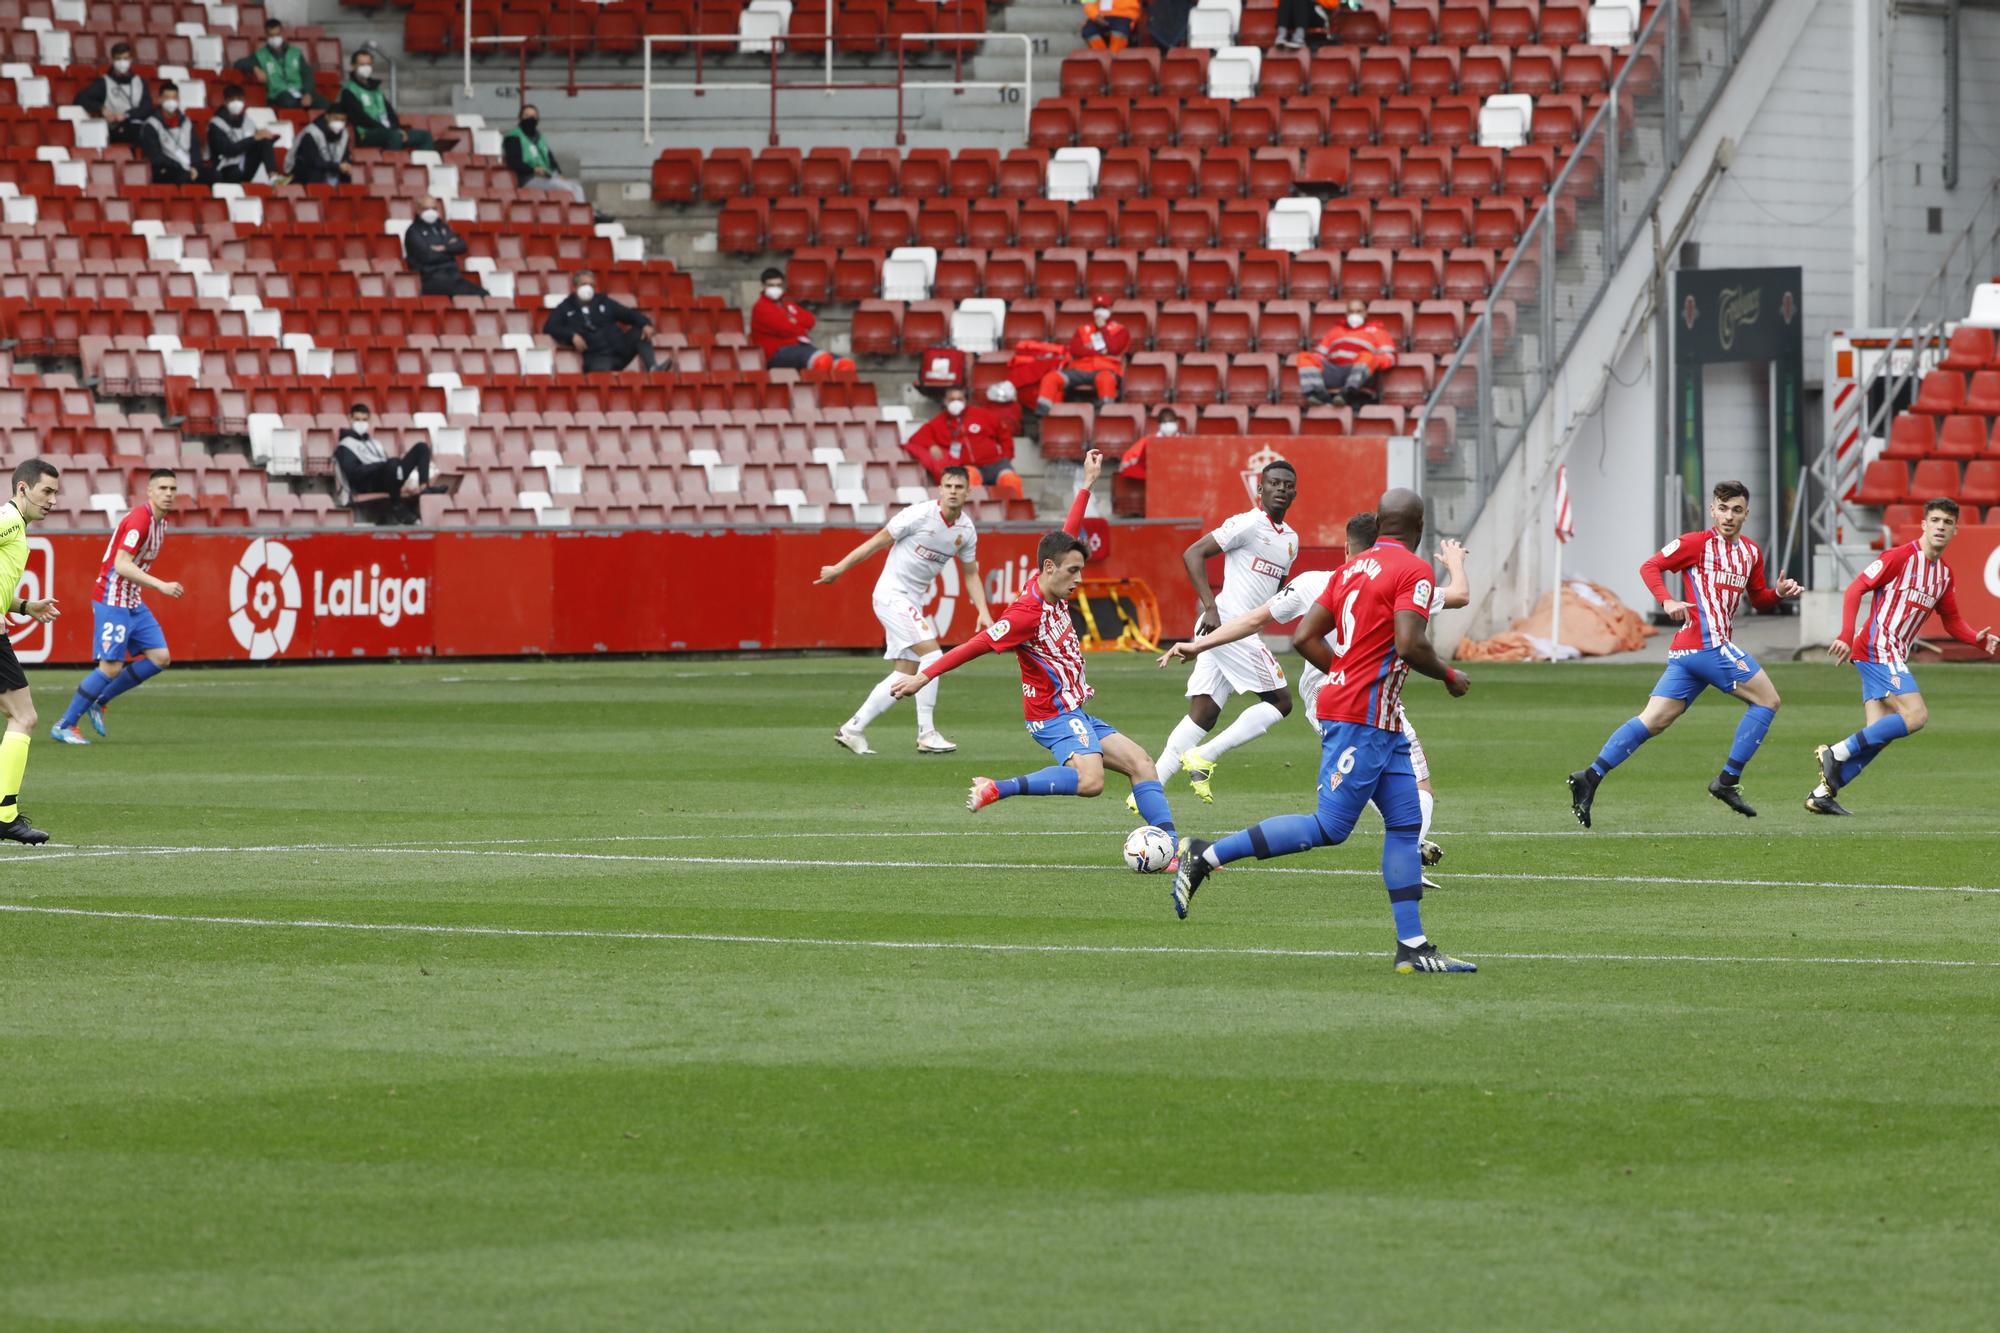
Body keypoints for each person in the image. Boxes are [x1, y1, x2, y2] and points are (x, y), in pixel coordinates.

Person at [1170, 488, 1477, 976]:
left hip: (1380, 716)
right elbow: (1410, 642)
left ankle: (1413, 947)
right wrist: (1448, 676)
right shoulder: (1413, 570)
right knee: (1330, 828)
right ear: (1419, 529)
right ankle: (1204, 854)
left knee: (1402, 826)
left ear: (1379, 524)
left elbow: (1301, 637)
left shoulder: (1348, 571)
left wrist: (1343, 670)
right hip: (1361, 718)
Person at [887, 451, 1181, 847]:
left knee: (1143, 763)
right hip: (1053, 714)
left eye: (1080, 570)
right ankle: (998, 788)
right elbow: (978, 644)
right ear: (1048, 570)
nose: (1078, 580)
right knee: (1091, 781)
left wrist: (1088, 485)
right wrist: (923, 676)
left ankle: (1172, 847)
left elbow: (1066, 536)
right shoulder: (1027, 613)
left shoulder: (1050, 581)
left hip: (1073, 709)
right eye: (1073, 572)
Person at [1567, 481, 1803, 828]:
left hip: (1693, 652)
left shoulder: (1751, 552)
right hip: (1708, 644)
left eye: (1736, 510)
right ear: (1712, 510)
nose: (1729, 516)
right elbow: (1650, 566)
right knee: (1768, 701)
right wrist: (1667, 600)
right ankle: (1727, 781)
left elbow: (1759, 599)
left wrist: (1778, 592)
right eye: (1723, 509)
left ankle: (1590, 776)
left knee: (1654, 719)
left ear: (1746, 514)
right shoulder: (1696, 543)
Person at [1806, 497, 1999, 815]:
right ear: (1924, 524)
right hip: (1877, 647)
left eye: (1946, 522)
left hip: (1891, 653)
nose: (1940, 526)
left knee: (1877, 734)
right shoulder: (1898, 557)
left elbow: (1952, 622)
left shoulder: (1943, 576)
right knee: (1916, 715)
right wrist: (1845, 633)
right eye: (1935, 520)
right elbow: (1856, 588)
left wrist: (1976, 640)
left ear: (1954, 531)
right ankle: (1835, 751)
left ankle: (1822, 794)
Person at [1142, 459, 1299, 806]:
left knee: (1204, 712)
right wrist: (1210, 607)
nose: (1280, 489)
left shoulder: (1291, 540)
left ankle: (1147, 791)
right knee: (1281, 701)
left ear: (1294, 493)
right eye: (1273, 483)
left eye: (1287, 485)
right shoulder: (1247, 524)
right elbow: (1193, 553)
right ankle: (1204, 757)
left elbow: (1277, 587)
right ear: (1260, 490)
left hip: (1238, 630)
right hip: (1227, 624)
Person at [816, 467, 994, 756]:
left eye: (959, 487)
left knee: (905, 672)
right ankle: (927, 733)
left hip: (912, 601)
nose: (952, 491)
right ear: (940, 489)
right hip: (891, 596)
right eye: (948, 485)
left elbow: (971, 573)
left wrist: (983, 611)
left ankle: (852, 728)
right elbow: (876, 543)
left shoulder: (966, 530)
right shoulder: (918, 515)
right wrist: (839, 568)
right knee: (934, 656)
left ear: (967, 492)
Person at [51, 470, 184, 746]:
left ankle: (99, 701)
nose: (168, 493)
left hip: (132, 600)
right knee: (110, 667)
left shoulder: (162, 521)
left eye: (172, 488)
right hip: (112, 598)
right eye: (162, 488)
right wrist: (161, 586)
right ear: (149, 491)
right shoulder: (140, 521)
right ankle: (65, 724)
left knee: (160, 657)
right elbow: (121, 565)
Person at [1, 459, 63, 845]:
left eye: (55, 493)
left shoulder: (16, 527)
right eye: (47, 491)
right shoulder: (8, 520)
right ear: (23, 489)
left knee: (19, 715)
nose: (53, 500)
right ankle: (4, 814)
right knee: (23, 717)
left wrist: (24, 606)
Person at [901, 385, 1023, 500]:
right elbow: (916, 438)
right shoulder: (938, 422)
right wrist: (931, 445)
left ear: (965, 400)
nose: (956, 402)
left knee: (1011, 480)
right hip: (968, 466)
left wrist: (1007, 456)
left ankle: (1016, 517)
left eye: (960, 399)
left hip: (996, 464)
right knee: (968, 482)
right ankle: (976, 518)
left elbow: (1004, 434)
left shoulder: (983, 415)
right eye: (952, 399)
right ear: (945, 401)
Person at [542, 271, 670, 373]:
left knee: (639, 331)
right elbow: (550, 327)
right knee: (602, 375)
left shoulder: (604, 302)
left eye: (591, 285)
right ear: (575, 287)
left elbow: (629, 314)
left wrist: (645, 324)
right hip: (597, 357)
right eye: (583, 285)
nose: (588, 288)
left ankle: (653, 368)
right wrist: (571, 335)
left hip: (620, 350)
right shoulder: (565, 307)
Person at [333, 403, 437, 524]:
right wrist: (381, 465)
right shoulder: (345, 445)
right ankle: (397, 506)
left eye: (364, 420)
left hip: (387, 475)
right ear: (350, 419)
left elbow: (386, 463)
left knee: (421, 447)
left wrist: (389, 465)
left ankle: (424, 488)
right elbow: (353, 473)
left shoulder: (374, 443)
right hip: (367, 483)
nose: (361, 423)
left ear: (369, 420)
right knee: (392, 463)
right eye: (357, 419)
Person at [504, 105, 608, 220]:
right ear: (520, 118)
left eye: (533, 116)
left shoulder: (539, 137)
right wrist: (533, 169)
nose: (530, 119)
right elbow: (513, 162)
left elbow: (550, 158)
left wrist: (559, 173)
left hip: (546, 176)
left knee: (577, 188)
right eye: (527, 116)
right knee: (565, 188)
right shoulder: (513, 137)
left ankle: (587, 214)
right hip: (527, 178)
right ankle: (582, 216)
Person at [1035, 296, 1130, 414]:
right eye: (1097, 308)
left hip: (1105, 369)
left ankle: (1105, 415)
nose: (1100, 311)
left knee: (1106, 380)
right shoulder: (1083, 329)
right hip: (1080, 369)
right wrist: (1100, 351)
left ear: (1110, 309)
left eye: (1103, 307)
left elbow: (1114, 348)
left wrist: (1103, 328)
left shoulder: (1120, 330)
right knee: (1051, 377)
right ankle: (1046, 414)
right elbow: (1076, 350)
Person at [751, 269, 855, 373]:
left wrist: (793, 322)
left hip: (801, 348)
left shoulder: (787, 304)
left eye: (778, 285)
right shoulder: (760, 307)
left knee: (844, 364)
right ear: (763, 286)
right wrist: (796, 323)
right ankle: (817, 387)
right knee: (821, 360)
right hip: (777, 353)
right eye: (771, 285)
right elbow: (786, 329)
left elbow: (810, 320)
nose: (775, 288)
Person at [1298, 299, 1397, 407]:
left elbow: (1390, 357)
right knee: (1304, 357)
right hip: (1334, 370)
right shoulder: (1335, 331)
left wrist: (1374, 360)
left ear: (1365, 313)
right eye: (1351, 311)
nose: (1354, 315)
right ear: (1346, 314)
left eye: (1358, 311)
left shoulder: (1377, 331)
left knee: (1367, 357)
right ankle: (1318, 395)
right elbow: (1320, 354)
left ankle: (1347, 394)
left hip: (1359, 372)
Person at [338, 50, 434, 153]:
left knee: (425, 136)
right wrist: (389, 130)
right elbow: (360, 118)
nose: (366, 67)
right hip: (366, 134)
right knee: (394, 137)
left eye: (368, 64)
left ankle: (420, 168)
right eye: (362, 64)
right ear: (353, 66)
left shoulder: (376, 89)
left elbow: (390, 112)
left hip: (388, 131)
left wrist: (396, 128)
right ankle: (393, 167)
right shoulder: (348, 90)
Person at [403, 196, 487, 298]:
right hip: (430, 278)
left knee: (484, 294)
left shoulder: (442, 227)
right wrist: (450, 249)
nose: (431, 212)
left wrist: (444, 248)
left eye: (434, 209)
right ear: (418, 210)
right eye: (426, 209)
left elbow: (462, 245)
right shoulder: (413, 232)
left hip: (452, 276)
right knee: (471, 294)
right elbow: (428, 256)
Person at [74, 43, 154, 147]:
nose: (122, 62)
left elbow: (147, 107)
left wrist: (127, 115)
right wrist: (101, 108)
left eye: (125, 58)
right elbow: (80, 98)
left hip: (136, 125)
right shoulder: (104, 82)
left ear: (131, 59)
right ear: (113, 60)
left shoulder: (140, 82)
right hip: (115, 128)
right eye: (118, 59)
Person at [238, 19, 327, 110]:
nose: (275, 38)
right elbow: (239, 63)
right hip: (278, 94)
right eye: (271, 35)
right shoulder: (261, 55)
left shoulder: (295, 52)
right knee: (289, 102)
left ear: (282, 33)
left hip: (299, 91)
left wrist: (308, 93)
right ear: (266, 35)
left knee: (324, 104)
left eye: (277, 35)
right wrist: (255, 69)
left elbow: (307, 74)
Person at [135, 83, 210, 185]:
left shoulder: (186, 122)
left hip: (189, 167)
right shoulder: (151, 125)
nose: (171, 101)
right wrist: (180, 166)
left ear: (178, 100)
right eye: (167, 98)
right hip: (167, 168)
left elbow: (195, 148)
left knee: (214, 175)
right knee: (183, 176)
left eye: (174, 98)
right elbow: (156, 156)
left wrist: (195, 167)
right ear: (160, 99)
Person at [206, 84, 283, 184]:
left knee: (264, 141)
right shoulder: (216, 123)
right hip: (225, 169)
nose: (237, 103)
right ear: (225, 102)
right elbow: (228, 150)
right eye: (233, 100)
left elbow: (255, 142)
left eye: (240, 100)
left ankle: (274, 177)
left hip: (245, 165)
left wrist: (267, 138)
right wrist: (254, 138)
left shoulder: (248, 121)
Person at [287, 108, 352, 186]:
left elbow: (345, 154)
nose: (339, 122)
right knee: (315, 171)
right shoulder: (311, 132)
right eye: (336, 118)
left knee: (347, 173)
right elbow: (313, 161)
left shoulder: (344, 133)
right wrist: (337, 166)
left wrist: (345, 163)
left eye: (342, 120)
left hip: (330, 167)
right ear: (327, 117)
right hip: (302, 170)